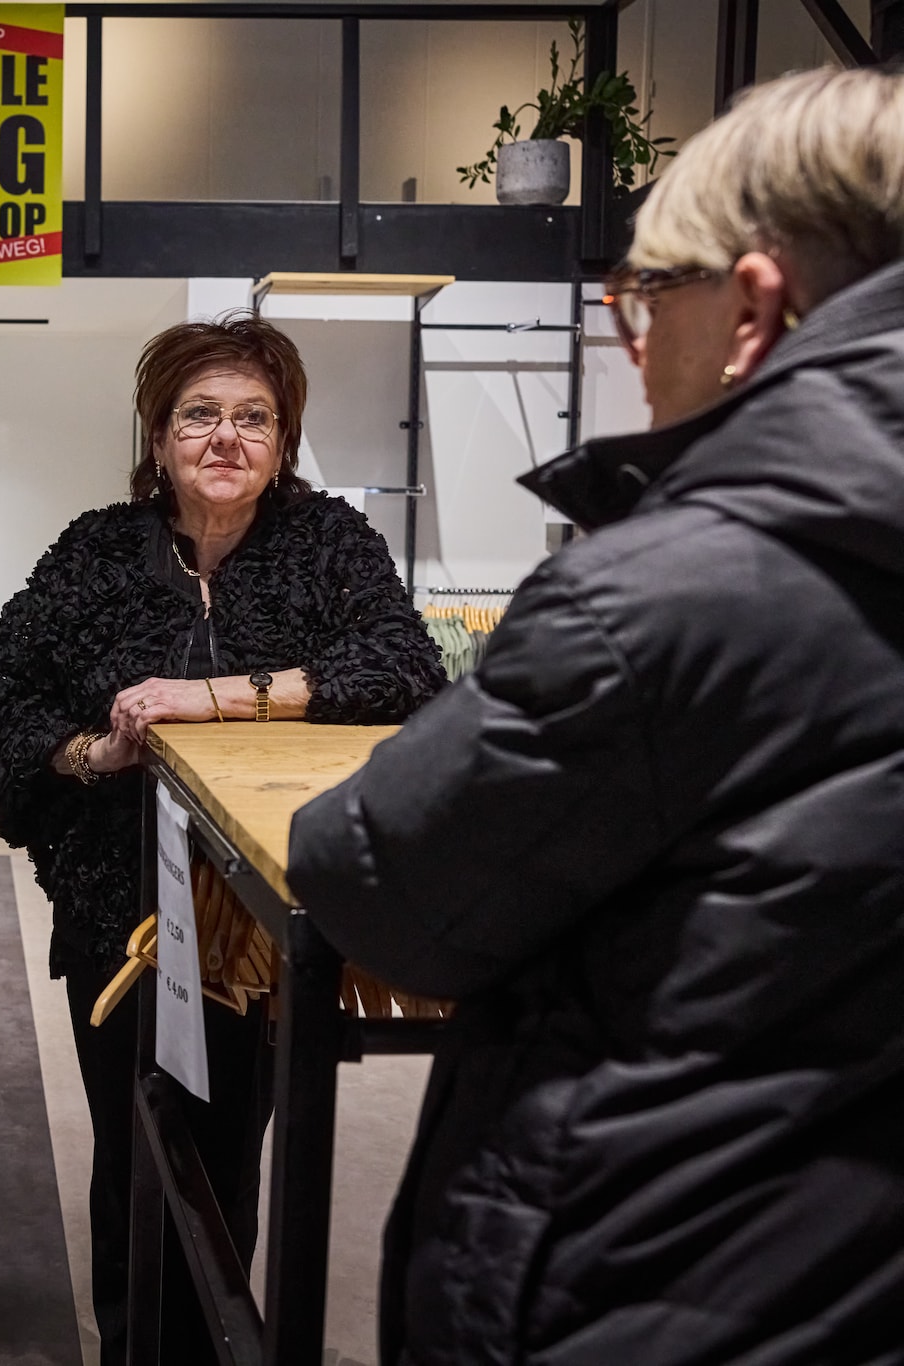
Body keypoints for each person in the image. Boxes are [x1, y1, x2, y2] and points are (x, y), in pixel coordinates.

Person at [287, 67, 904, 1366]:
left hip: (668, 1277)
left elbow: (376, 872)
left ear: (751, 306)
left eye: (644, 295)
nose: (631, 340)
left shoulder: (674, 590)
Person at [0, 311, 446, 1363]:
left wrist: (219, 696)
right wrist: (95, 755)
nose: (225, 438)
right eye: (199, 415)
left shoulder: (327, 545)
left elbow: (406, 672)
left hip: (260, 925)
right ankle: (135, 1344)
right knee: (132, 1152)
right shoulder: (95, 552)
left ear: (282, 439)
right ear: (158, 435)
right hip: (117, 915)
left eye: (252, 418)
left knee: (226, 1159)